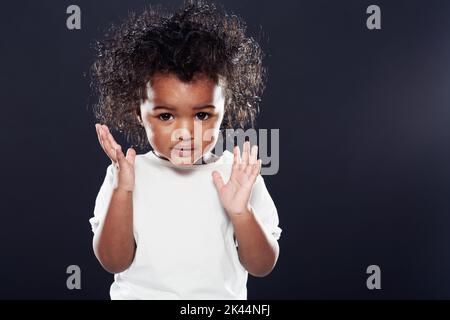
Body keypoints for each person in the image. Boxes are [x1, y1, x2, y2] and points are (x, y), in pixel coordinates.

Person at [89, 0, 282, 299]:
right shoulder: (126, 176)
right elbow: (114, 261)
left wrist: (240, 212)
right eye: (165, 116)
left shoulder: (238, 176)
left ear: (224, 109)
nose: (185, 132)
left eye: (202, 115)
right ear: (138, 112)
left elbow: (262, 266)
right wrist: (123, 192)